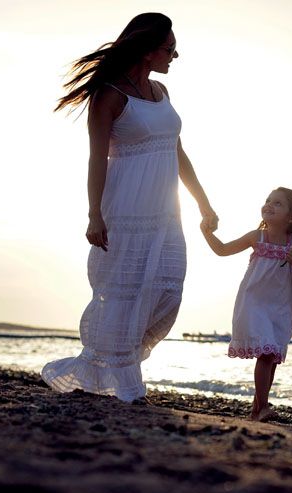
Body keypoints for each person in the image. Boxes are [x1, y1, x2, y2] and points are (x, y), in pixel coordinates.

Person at [42, 13, 218, 402]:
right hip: (125, 210)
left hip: (166, 213)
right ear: (147, 50)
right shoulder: (109, 96)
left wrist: (203, 201)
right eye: (169, 49)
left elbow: (176, 151)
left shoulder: (161, 94)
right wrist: (94, 213)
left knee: (166, 289)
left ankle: (115, 369)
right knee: (123, 291)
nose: (175, 55)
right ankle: (119, 380)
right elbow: (96, 159)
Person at [200, 187, 292, 421]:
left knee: (271, 358)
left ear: (291, 217)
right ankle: (263, 407)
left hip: (280, 308)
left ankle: (256, 410)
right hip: (254, 303)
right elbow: (222, 250)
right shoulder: (257, 237)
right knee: (265, 353)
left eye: (278, 203)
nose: (269, 205)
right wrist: (206, 232)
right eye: (268, 200)